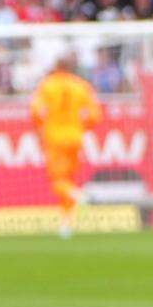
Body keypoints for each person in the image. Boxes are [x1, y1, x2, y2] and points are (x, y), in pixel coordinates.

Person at [30, 55, 100, 237]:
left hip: (55, 138)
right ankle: (66, 225)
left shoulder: (47, 85)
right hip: (75, 138)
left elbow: (36, 111)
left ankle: (79, 195)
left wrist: (41, 128)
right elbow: (94, 115)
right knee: (68, 179)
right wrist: (80, 127)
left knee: (58, 182)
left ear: (55, 67)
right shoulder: (81, 85)